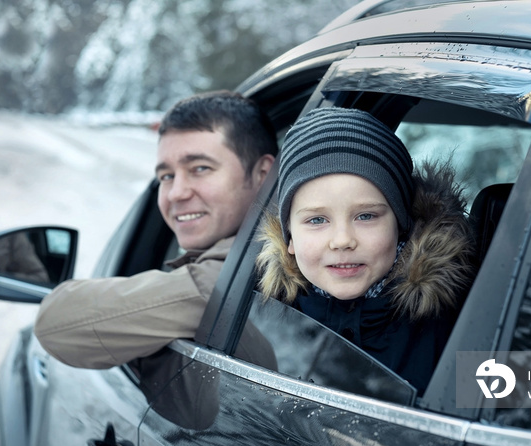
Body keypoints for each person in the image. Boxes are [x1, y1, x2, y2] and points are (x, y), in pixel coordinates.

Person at [34, 91, 277, 371]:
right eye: (166, 176)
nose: (176, 193)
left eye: (200, 168)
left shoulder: (229, 279)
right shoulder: (297, 254)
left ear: (262, 175)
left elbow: (56, 324)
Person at [255, 107, 476, 393]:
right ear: (289, 238)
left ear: (401, 224)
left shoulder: (463, 318)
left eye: (366, 216)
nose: (342, 240)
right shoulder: (266, 313)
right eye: (317, 220)